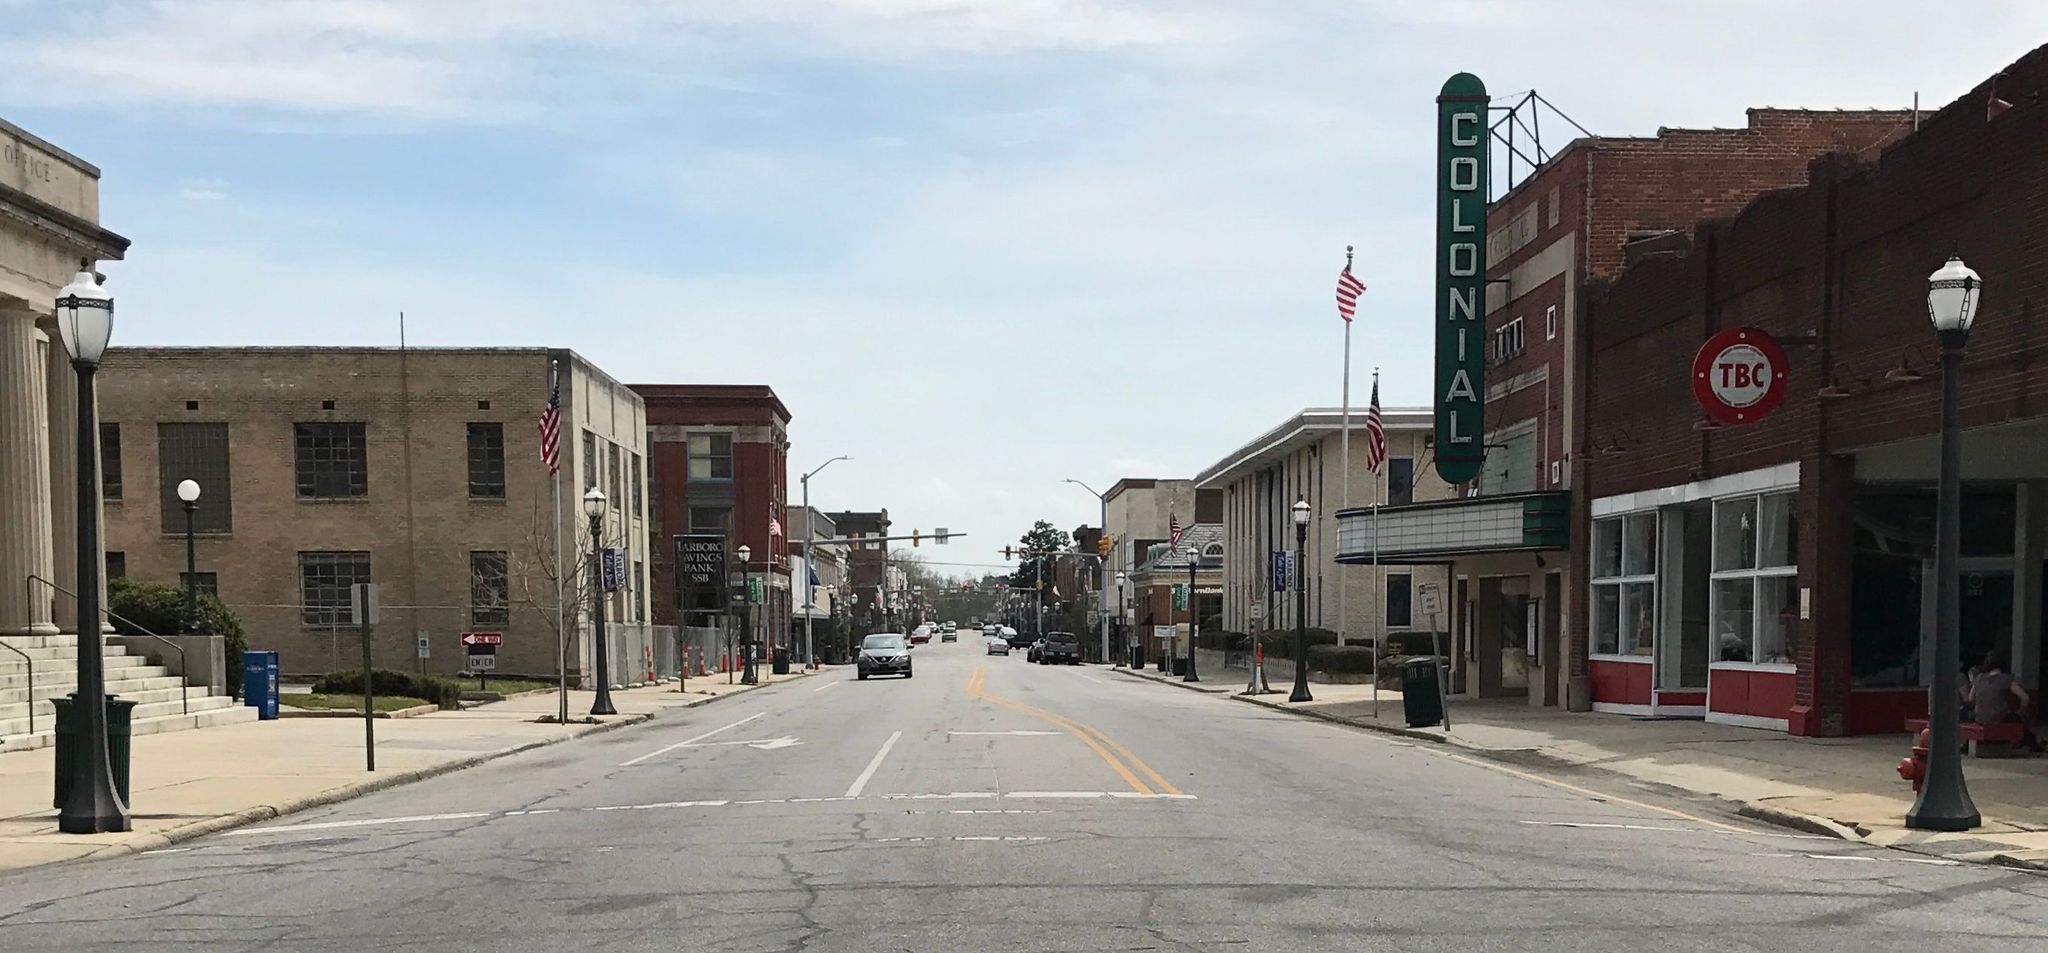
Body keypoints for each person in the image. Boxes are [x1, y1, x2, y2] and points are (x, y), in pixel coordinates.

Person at [1964, 649, 2039, 752]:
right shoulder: (2006, 679)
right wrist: (2020, 712)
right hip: (2000, 718)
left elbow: (1970, 699)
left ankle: (1966, 745)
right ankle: (2033, 744)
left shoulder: (1979, 678)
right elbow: (2025, 698)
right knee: (2016, 721)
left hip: (1980, 719)